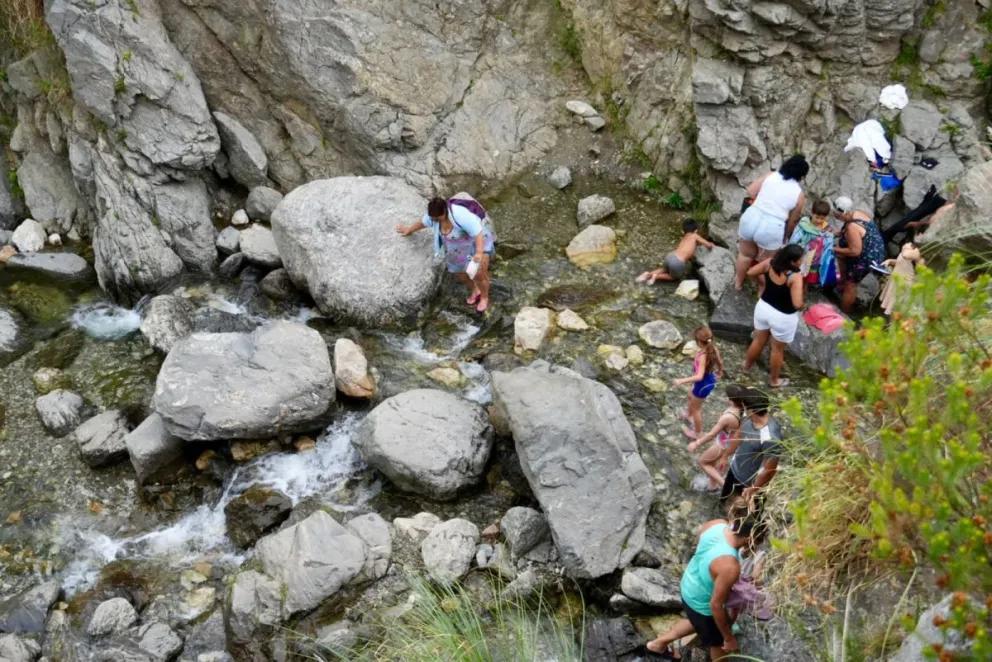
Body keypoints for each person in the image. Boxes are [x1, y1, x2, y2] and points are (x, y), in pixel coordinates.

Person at [645, 512, 761, 659]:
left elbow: (700, 545)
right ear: (749, 539)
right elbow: (715, 605)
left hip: (688, 584)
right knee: (718, 642)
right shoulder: (730, 566)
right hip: (703, 603)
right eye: (758, 541)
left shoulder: (717, 524)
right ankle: (659, 644)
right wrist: (728, 637)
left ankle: (657, 645)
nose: (757, 546)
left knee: (697, 621)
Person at [396, 196, 496, 312]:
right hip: (457, 248)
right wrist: (409, 230)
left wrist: (479, 253)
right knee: (460, 274)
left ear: (445, 211)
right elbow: (423, 223)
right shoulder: (434, 217)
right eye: (433, 219)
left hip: (476, 244)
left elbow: (478, 233)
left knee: (479, 274)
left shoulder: (461, 215)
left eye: (438, 218)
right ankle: (475, 290)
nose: (435, 221)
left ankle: (484, 297)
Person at [735, 155, 809, 290]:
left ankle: (738, 285)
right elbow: (793, 220)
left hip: (752, 216)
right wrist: (786, 236)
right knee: (766, 262)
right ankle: (761, 292)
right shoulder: (799, 194)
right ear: (802, 175)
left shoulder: (771, 175)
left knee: (745, 255)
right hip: (772, 226)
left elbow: (750, 191)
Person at [743, 244, 804, 388]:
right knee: (777, 349)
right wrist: (803, 306)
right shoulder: (794, 277)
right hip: (783, 316)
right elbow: (796, 304)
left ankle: (746, 368)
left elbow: (751, 272)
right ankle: (774, 381)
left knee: (758, 341)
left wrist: (762, 284)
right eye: (800, 260)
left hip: (763, 307)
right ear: (792, 261)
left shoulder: (770, 263)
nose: (802, 261)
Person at [719, 388, 783, 510]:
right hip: (735, 470)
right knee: (724, 503)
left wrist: (754, 488)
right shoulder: (749, 418)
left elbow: (769, 469)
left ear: (751, 410)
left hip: (750, 483)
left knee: (746, 516)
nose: (742, 409)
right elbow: (738, 436)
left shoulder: (770, 437)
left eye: (744, 406)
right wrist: (724, 456)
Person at [688, 384, 746, 492]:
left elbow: (712, 434)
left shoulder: (728, 417)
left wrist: (697, 443)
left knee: (703, 462)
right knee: (712, 462)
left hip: (721, 445)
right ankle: (712, 486)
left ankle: (725, 486)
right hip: (728, 443)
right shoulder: (743, 411)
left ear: (731, 400)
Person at [832, 198, 886, 313]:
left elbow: (855, 251)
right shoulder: (857, 213)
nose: (837, 218)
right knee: (842, 254)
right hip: (875, 248)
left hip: (867, 257)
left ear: (844, 213)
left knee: (851, 285)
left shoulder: (852, 227)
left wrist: (834, 249)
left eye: (838, 216)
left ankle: (844, 312)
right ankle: (842, 282)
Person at [673, 327, 724, 440]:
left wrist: (681, 380)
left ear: (698, 342)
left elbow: (699, 376)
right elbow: (720, 362)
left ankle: (698, 433)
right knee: (690, 395)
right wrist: (720, 371)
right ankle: (689, 415)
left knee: (697, 409)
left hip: (702, 384)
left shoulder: (703, 356)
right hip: (708, 379)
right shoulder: (713, 348)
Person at [636, 219, 714, 284]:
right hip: (677, 262)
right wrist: (711, 244)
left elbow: (687, 251)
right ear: (696, 230)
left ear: (684, 231)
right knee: (673, 277)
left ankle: (648, 275)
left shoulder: (684, 238)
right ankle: (657, 276)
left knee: (665, 269)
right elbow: (708, 245)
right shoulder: (695, 235)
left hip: (670, 256)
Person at [788, 199, 836, 290]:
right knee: (795, 275)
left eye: (822, 218)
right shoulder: (804, 224)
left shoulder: (827, 229)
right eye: (817, 217)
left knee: (806, 280)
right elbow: (795, 238)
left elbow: (828, 245)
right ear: (812, 213)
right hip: (800, 257)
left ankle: (801, 294)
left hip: (815, 260)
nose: (819, 220)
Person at [880, 242, 925, 316]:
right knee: (891, 307)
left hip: (904, 286)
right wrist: (890, 261)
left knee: (898, 309)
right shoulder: (908, 249)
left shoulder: (919, 257)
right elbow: (901, 261)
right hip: (895, 281)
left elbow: (905, 255)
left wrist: (906, 248)